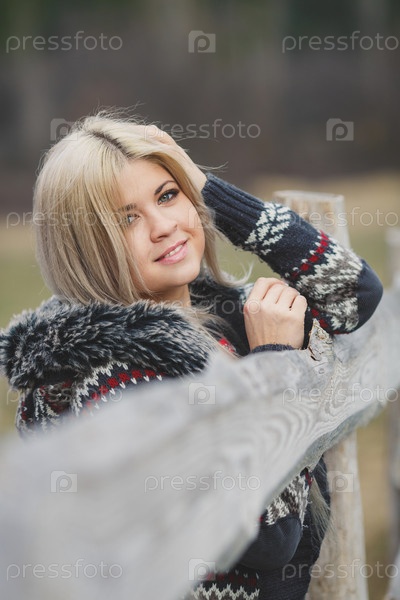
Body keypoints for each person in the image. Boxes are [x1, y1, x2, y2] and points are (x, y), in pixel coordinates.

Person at [0, 112, 383, 600]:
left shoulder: (219, 314)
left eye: (168, 195)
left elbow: (355, 294)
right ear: (86, 248)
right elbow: (268, 537)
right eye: (127, 219)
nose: (164, 226)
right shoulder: (119, 376)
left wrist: (205, 186)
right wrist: (275, 366)